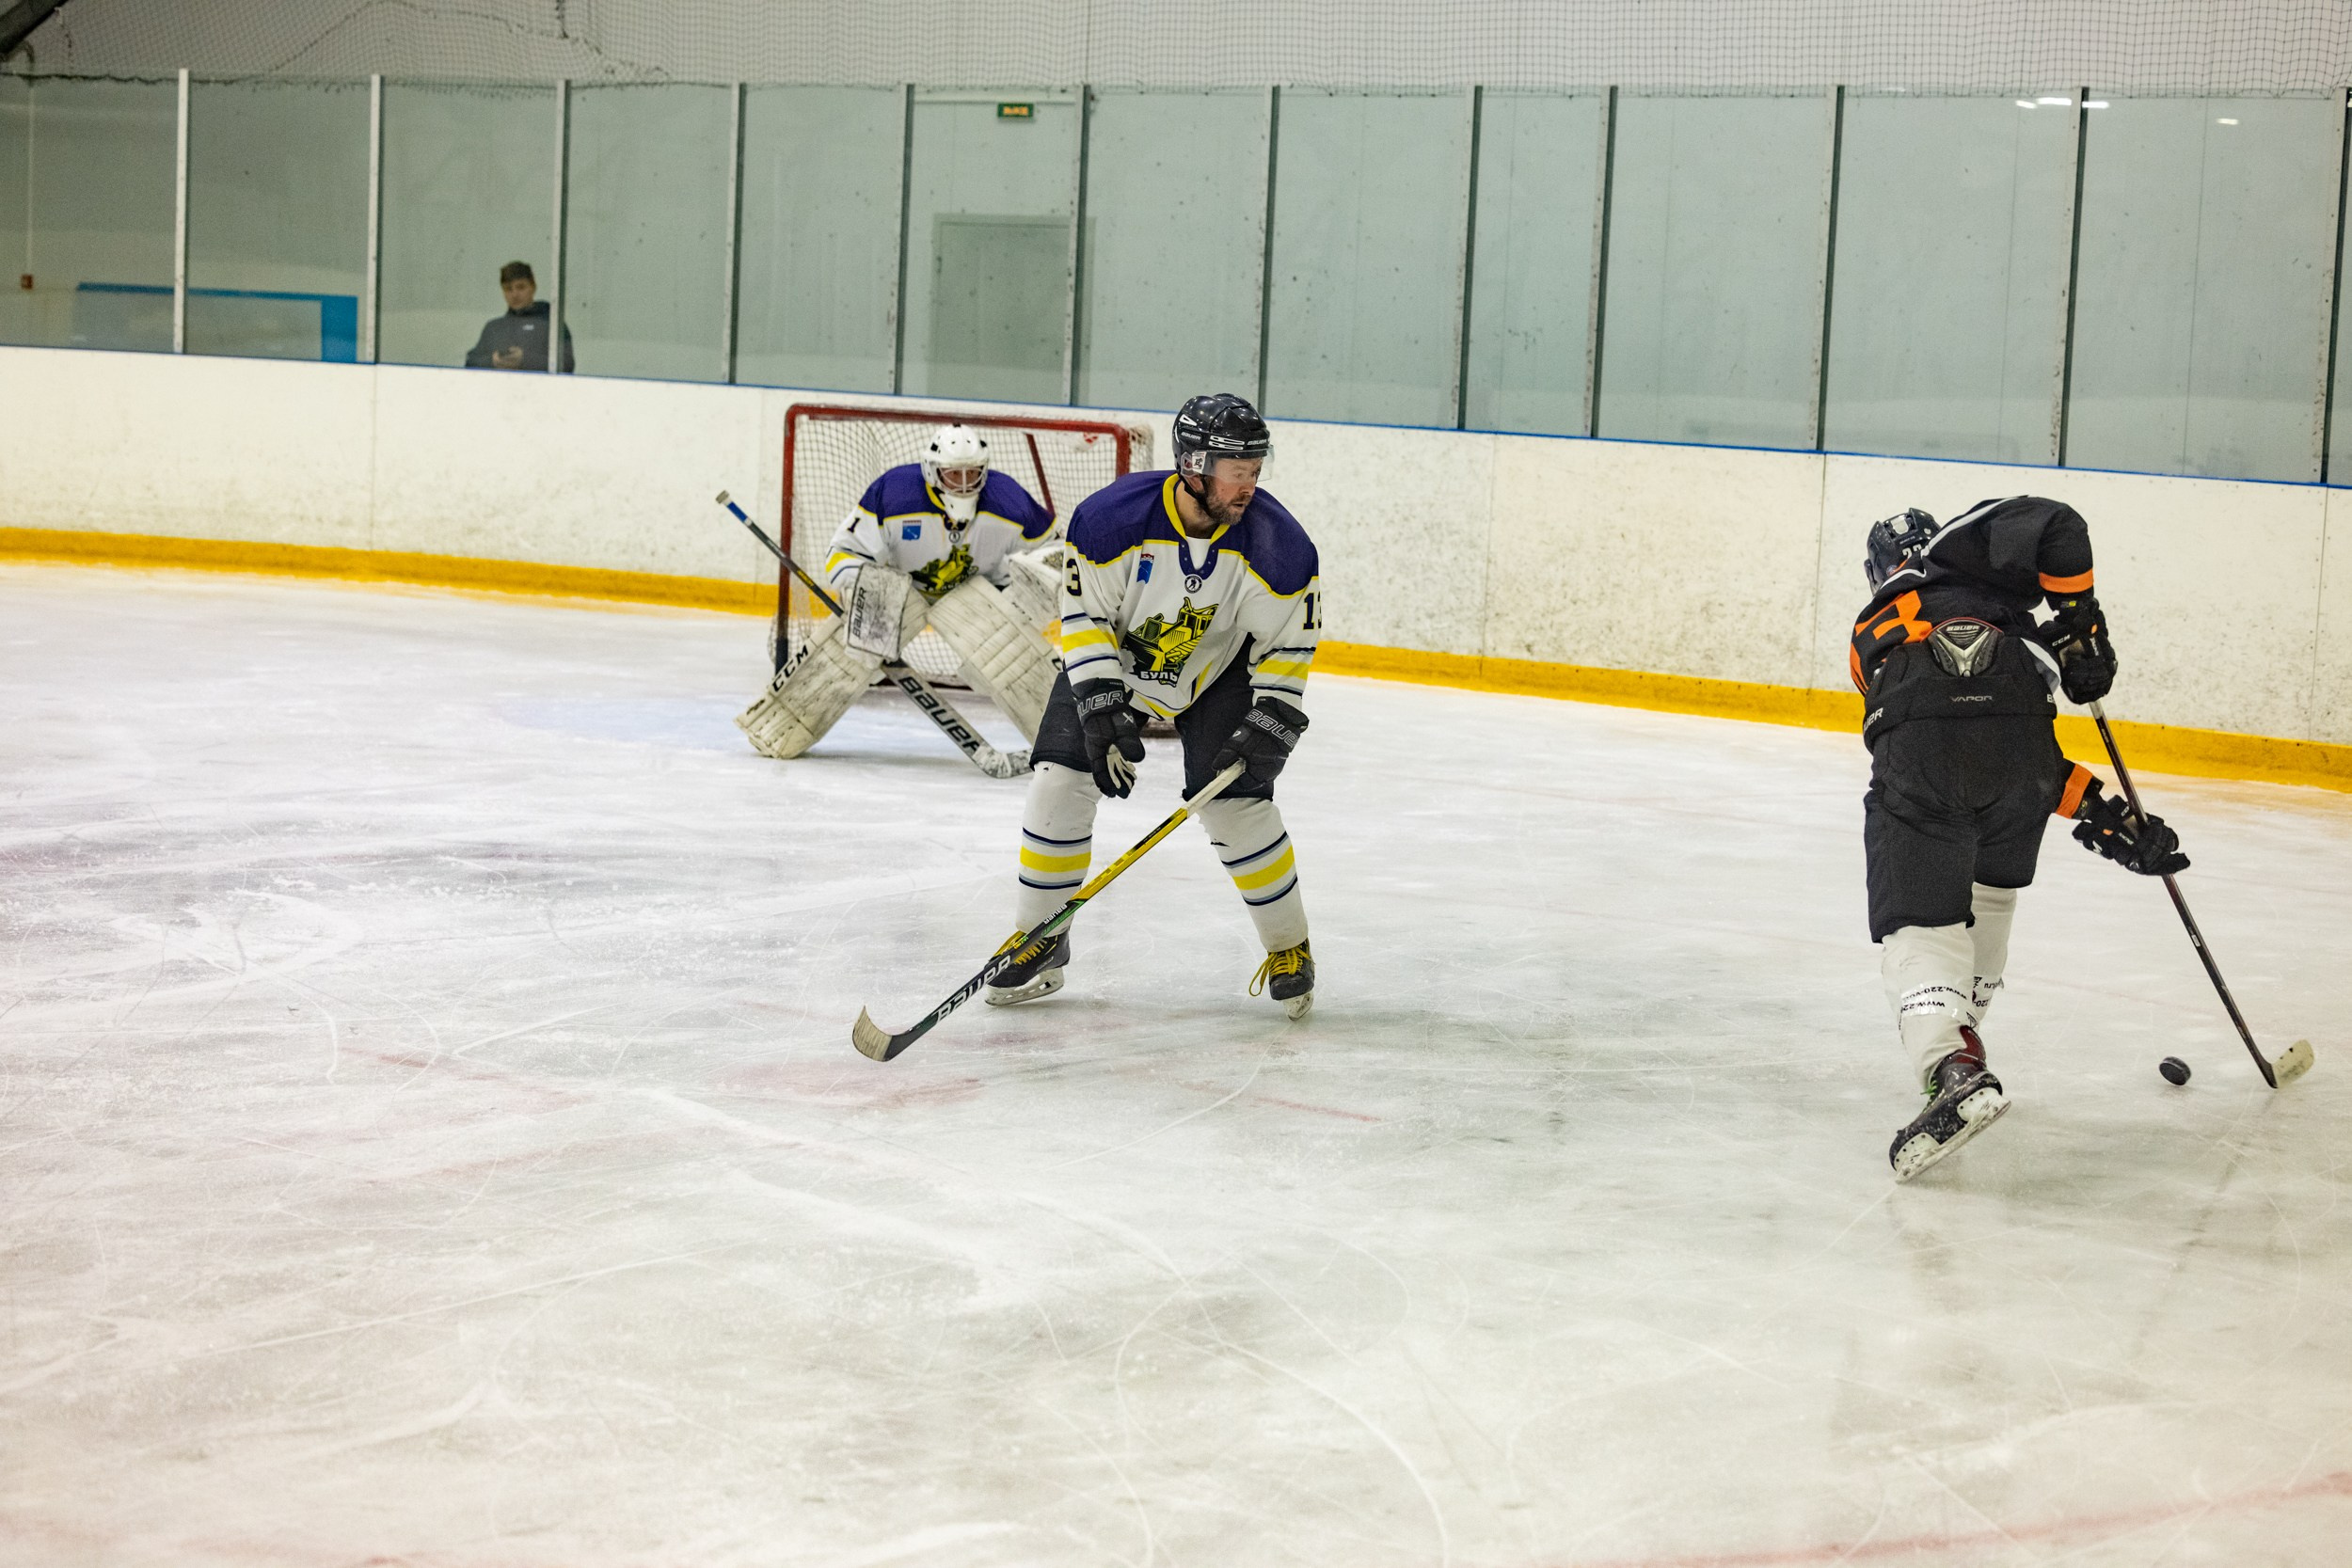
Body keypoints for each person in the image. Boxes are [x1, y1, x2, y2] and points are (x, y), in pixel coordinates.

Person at [1850, 497, 2188, 1181]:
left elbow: (1937, 723)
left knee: (1921, 924)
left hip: (1927, 756)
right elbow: (2007, 745)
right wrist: (2112, 817)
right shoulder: (2000, 601)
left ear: (1879, 566)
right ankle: (1965, 1033)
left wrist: (2077, 628)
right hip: (2023, 766)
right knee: (1989, 893)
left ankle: (1954, 1064)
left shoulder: (1876, 624)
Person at [984, 392, 1323, 1019]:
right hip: (1119, 661)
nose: (1247, 484)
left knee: (1237, 804)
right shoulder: (1110, 521)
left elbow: (1287, 644)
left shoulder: (1281, 547)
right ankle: (1039, 937)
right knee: (1060, 779)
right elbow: (1084, 618)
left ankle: (1288, 947)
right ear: (1194, 466)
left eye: (1255, 470)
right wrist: (1101, 700)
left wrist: (1272, 716)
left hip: (1219, 671)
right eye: (1234, 470)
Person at [737, 425, 1062, 758]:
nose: (964, 484)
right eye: (953, 475)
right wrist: (864, 590)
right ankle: (782, 723)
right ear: (932, 471)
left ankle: (1066, 743)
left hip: (978, 597)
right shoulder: (894, 494)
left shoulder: (1010, 500)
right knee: (857, 643)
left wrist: (1018, 605)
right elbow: (843, 554)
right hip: (899, 593)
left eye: (973, 474)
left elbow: (1055, 555)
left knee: (1010, 655)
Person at [464, 261, 574, 373]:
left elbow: (567, 364)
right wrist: (492, 361)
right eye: (508, 289)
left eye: (521, 287)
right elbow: (470, 363)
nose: (515, 294)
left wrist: (525, 360)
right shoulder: (493, 328)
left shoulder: (551, 324)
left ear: (533, 287)